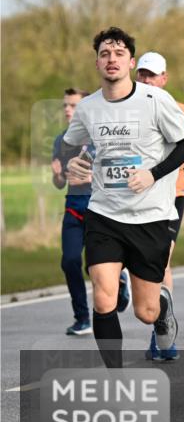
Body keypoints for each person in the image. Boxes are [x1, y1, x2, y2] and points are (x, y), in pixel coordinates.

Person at [63, 27, 184, 367]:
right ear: (97, 63)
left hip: (150, 216)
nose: (112, 59)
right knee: (104, 297)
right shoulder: (89, 107)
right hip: (104, 214)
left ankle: (162, 309)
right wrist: (75, 164)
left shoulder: (155, 100)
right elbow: (74, 145)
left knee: (145, 311)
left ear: (130, 62)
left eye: (119, 53)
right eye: (105, 54)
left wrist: (153, 173)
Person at [134, 52, 184, 360]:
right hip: (133, 197)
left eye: (153, 75)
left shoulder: (178, 109)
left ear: (164, 79)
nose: (147, 80)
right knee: (133, 261)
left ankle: (161, 330)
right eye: (143, 75)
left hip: (171, 195)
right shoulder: (126, 111)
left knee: (162, 262)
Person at [53, 88, 102, 335]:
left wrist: (93, 175)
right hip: (73, 209)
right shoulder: (61, 141)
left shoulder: (101, 136)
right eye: (65, 106)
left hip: (99, 209)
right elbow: (60, 182)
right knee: (70, 261)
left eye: (72, 105)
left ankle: (121, 282)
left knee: (96, 266)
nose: (67, 110)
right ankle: (82, 318)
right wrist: (58, 174)